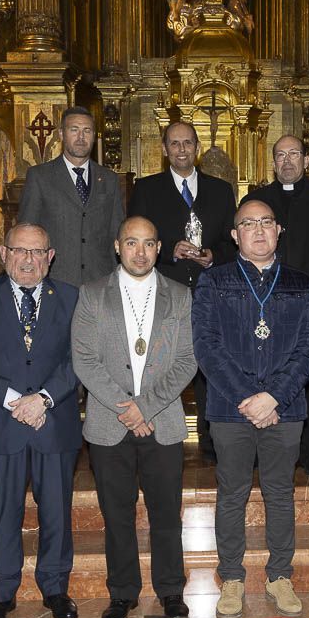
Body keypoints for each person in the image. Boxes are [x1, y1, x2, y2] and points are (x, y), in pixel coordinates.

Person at [192, 199, 309, 618]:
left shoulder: (303, 284)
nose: (259, 230)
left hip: (286, 409)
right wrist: (249, 398)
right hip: (231, 410)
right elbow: (207, 348)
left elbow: (308, 349)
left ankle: (279, 575)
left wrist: (274, 397)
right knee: (232, 494)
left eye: (267, 222)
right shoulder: (214, 282)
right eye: (249, 223)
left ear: (279, 230)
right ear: (235, 235)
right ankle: (231, 577)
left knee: (280, 494)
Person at [0, 222, 82, 618]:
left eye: (37, 252)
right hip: (1, 422)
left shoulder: (71, 298)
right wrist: (15, 402)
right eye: (19, 251)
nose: (28, 259)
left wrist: (43, 399)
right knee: (3, 512)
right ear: (3, 253)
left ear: (50, 257)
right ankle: (2, 592)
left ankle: (55, 588)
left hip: (53, 421)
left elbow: (78, 360)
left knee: (57, 512)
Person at [72, 216, 197, 618]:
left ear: (159, 248)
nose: (139, 252)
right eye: (131, 243)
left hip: (162, 422)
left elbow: (187, 360)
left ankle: (171, 590)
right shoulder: (92, 295)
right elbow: (85, 360)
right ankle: (122, 593)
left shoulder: (179, 296)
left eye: (147, 244)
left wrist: (147, 407)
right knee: (117, 514)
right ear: (116, 246)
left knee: (166, 512)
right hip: (110, 424)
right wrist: (127, 406)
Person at [129, 121, 237, 463]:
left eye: (187, 143)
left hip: (211, 293)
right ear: (164, 149)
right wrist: (166, 251)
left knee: (211, 368)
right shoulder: (146, 189)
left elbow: (232, 242)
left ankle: (211, 443)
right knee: (161, 365)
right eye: (174, 144)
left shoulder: (220, 190)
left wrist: (213, 256)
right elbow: (134, 243)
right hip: (164, 291)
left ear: (197, 147)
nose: (181, 149)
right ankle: (161, 438)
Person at [246, 135, 309, 476]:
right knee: (264, 375)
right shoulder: (258, 201)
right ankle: (261, 451)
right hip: (263, 304)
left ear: (306, 160)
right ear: (273, 162)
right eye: (280, 155)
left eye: (294, 154)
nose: (287, 161)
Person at [17, 106, 125, 287]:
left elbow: (117, 233)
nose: (81, 137)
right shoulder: (40, 176)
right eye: (74, 130)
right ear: (61, 134)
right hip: (55, 280)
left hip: (100, 282)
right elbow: (26, 233)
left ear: (94, 135)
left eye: (87, 131)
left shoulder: (109, 179)